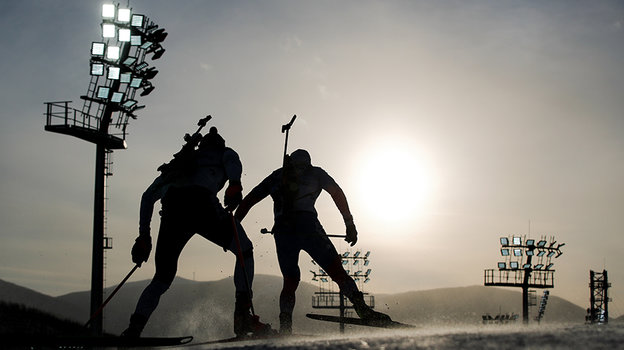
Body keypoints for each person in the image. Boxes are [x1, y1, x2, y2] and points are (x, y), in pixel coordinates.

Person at [122, 127, 271, 338]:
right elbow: (233, 163)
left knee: (161, 279)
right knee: (244, 250)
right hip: (202, 204)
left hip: (172, 210)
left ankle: (133, 329)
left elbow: (147, 197)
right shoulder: (223, 153)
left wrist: (144, 236)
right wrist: (235, 184)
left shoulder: (180, 163)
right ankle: (242, 316)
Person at [235, 149, 391, 334]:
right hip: (308, 226)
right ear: (308, 161)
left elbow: (251, 199)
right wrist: (349, 223)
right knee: (337, 271)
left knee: (290, 281)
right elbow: (337, 193)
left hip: (283, 232)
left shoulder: (278, 175)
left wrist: (235, 226)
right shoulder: (316, 173)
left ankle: (286, 326)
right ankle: (363, 310)